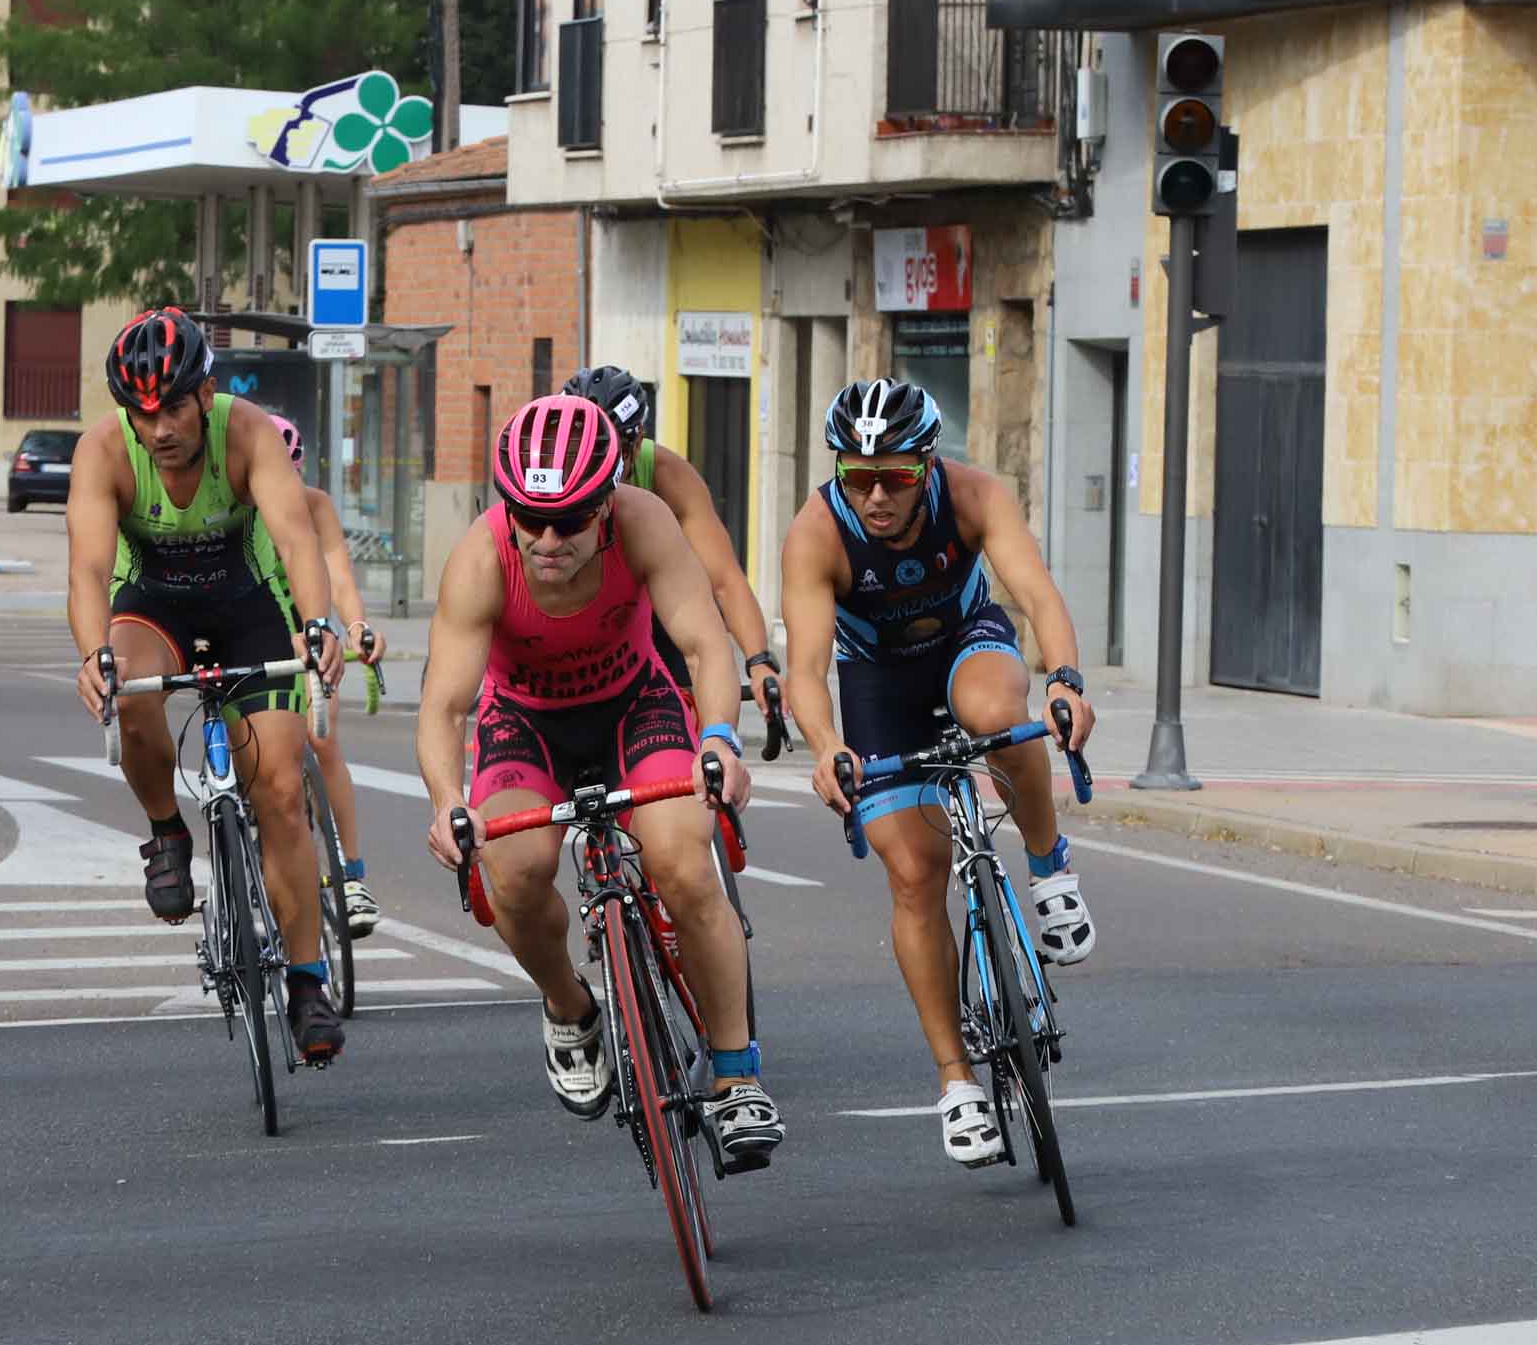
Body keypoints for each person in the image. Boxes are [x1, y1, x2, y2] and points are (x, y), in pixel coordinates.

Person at [418, 393, 782, 1167]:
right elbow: (445, 706)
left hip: (634, 705)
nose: (548, 540)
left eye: (571, 521)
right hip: (525, 723)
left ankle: (736, 1075)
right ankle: (568, 1004)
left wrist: (720, 740)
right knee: (515, 874)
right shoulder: (481, 558)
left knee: (685, 867)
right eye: (531, 518)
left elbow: (703, 646)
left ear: (607, 504)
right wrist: (448, 802)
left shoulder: (646, 521)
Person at [781, 378, 1097, 1169]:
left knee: (996, 713)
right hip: (878, 681)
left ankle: (1049, 867)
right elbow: (807, 668)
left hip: (966, 639)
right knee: (915, 875)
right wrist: (826, 744)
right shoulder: (817, 534)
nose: (876, 495)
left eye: (894, 476)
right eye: (858, 476)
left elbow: (1037, 594)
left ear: (928, 463)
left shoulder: (975, 495)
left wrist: (1065, 681)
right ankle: (957, 1082)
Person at [65, 307, 350, 1062]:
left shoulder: (248, 432)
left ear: (205, 393)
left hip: (245, 605)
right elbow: (88, 569)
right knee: (128, 690)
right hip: (151, 604)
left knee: (281, 791)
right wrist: (92, 656)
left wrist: (317, 626)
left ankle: (306, 982)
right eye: (143, 414)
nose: (160, 429)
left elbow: (296, 540)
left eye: (173, 409)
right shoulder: (103, 452)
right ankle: (166, 831)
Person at [561, 364, 788, 752]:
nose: (596, 466)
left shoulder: (666, 474)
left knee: (690, 727)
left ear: (636, 442)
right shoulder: (541, 472)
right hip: (574, 606)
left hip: (649, 607)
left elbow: (723, 580)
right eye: (581, 450)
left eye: (611, 452)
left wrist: (759, 661)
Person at [269, 408, 382, 938]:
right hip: (256, 632)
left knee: (322, 736)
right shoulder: (236, 511)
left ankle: (351, 875)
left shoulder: (316, 506)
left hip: (310, 633)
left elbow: (339, 577)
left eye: (291, 478)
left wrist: (357, 626)